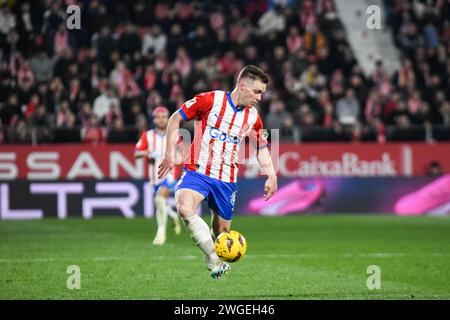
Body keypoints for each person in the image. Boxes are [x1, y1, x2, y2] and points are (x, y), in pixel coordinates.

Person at [158, 65, 278, 279]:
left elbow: (261, 146)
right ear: (242, 86)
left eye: (262, 93)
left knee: (221, 234)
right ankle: (213, 257)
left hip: (226, 180)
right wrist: (169, 154)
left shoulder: (253, 118)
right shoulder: (210, 100)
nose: (260, 97)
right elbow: (175, 118)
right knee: (184, 208)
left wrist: (271, 175)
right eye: (257, 91)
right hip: (198, 171)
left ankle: (214, 254)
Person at [134, 106, 182, 246]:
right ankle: (173, 216)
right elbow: (136, 153)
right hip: (155, 176)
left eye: (164, 116)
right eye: (158, 117)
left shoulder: (174, 135)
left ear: (168, 118)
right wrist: (148, 153)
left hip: (170, 175)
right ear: (154, 119)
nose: (161, 119)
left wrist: (176, 158)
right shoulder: (147, 136)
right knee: (160, 202)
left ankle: (161, 232)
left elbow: (181, 154)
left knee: (160, 198)